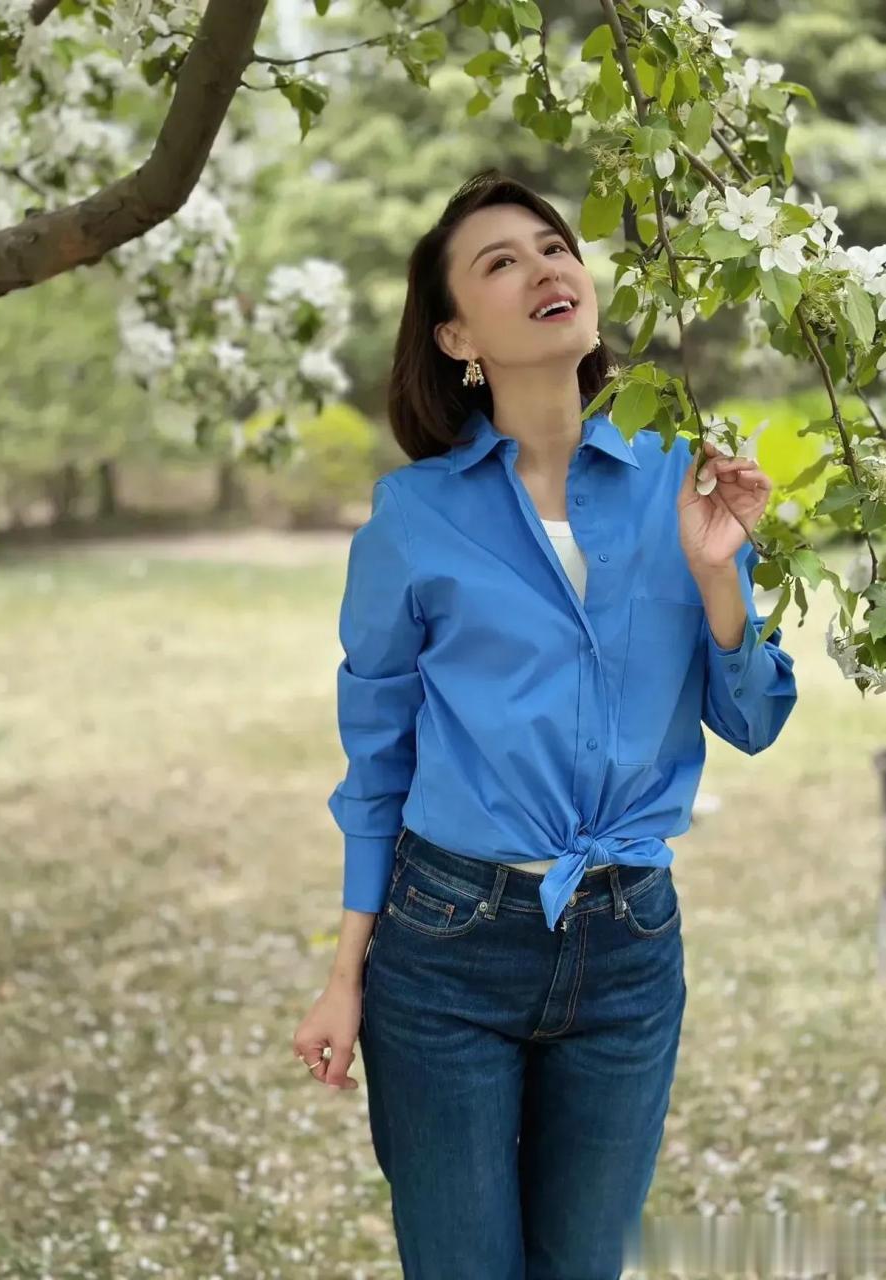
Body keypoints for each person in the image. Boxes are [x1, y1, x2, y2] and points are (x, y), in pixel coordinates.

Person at [292, 168, 798, 1279]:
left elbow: (753, 718)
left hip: (630, 944)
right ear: (458, 334)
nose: (545, 267)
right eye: (501, 262)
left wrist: (722, 578)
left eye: (553, 244)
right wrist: (345, 973)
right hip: (445, 946)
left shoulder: (682, 481)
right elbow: (375, 760)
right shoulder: (414, 518)